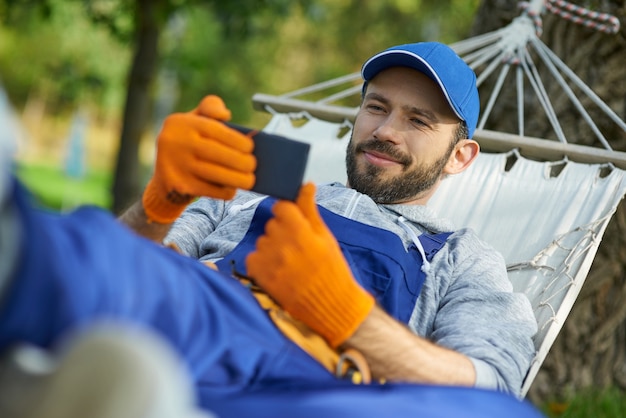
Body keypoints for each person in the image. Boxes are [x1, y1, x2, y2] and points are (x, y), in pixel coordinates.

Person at [118, 42, 537, 395]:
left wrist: (350, 318)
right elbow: (121, 273)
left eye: (418, 120)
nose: (386, 131)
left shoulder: (462, 257)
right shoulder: (250, 193)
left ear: (459, 157)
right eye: (377, 107)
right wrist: (158, 205)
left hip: (303, 392)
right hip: (180, 333)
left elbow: (493, 385)